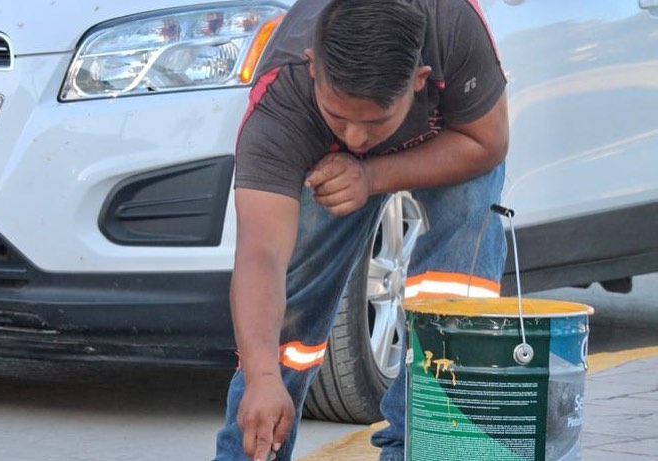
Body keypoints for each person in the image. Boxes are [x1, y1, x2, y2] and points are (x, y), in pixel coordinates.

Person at [215, 0, 509, 459]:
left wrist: (370, 176)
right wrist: (262, 380)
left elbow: (486, 142)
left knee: (456, 289)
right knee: (284, 322)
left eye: (374, 121)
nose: (354, 138)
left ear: (418, 81)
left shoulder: (453, 27)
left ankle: (424, 446)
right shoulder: (283, 101)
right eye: (337, 116)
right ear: (313, 68)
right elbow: (260, 255)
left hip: (449, 147)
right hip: (321, 164)